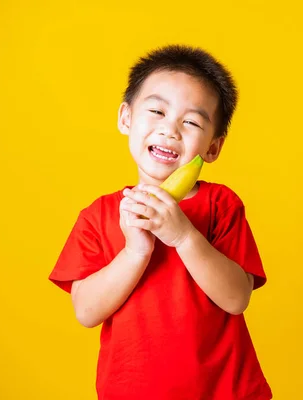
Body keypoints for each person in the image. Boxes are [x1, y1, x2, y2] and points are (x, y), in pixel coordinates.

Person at [49, 44, 272, 400]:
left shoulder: (221, 205)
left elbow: (236, 298)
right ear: (126, 118)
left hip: (223, 390)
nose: (171, 130)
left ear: (213, 148)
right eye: (156, 111)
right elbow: (86, 312)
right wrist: (135, 252)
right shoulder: (98, 215)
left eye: (192, 122)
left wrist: (183, 236)